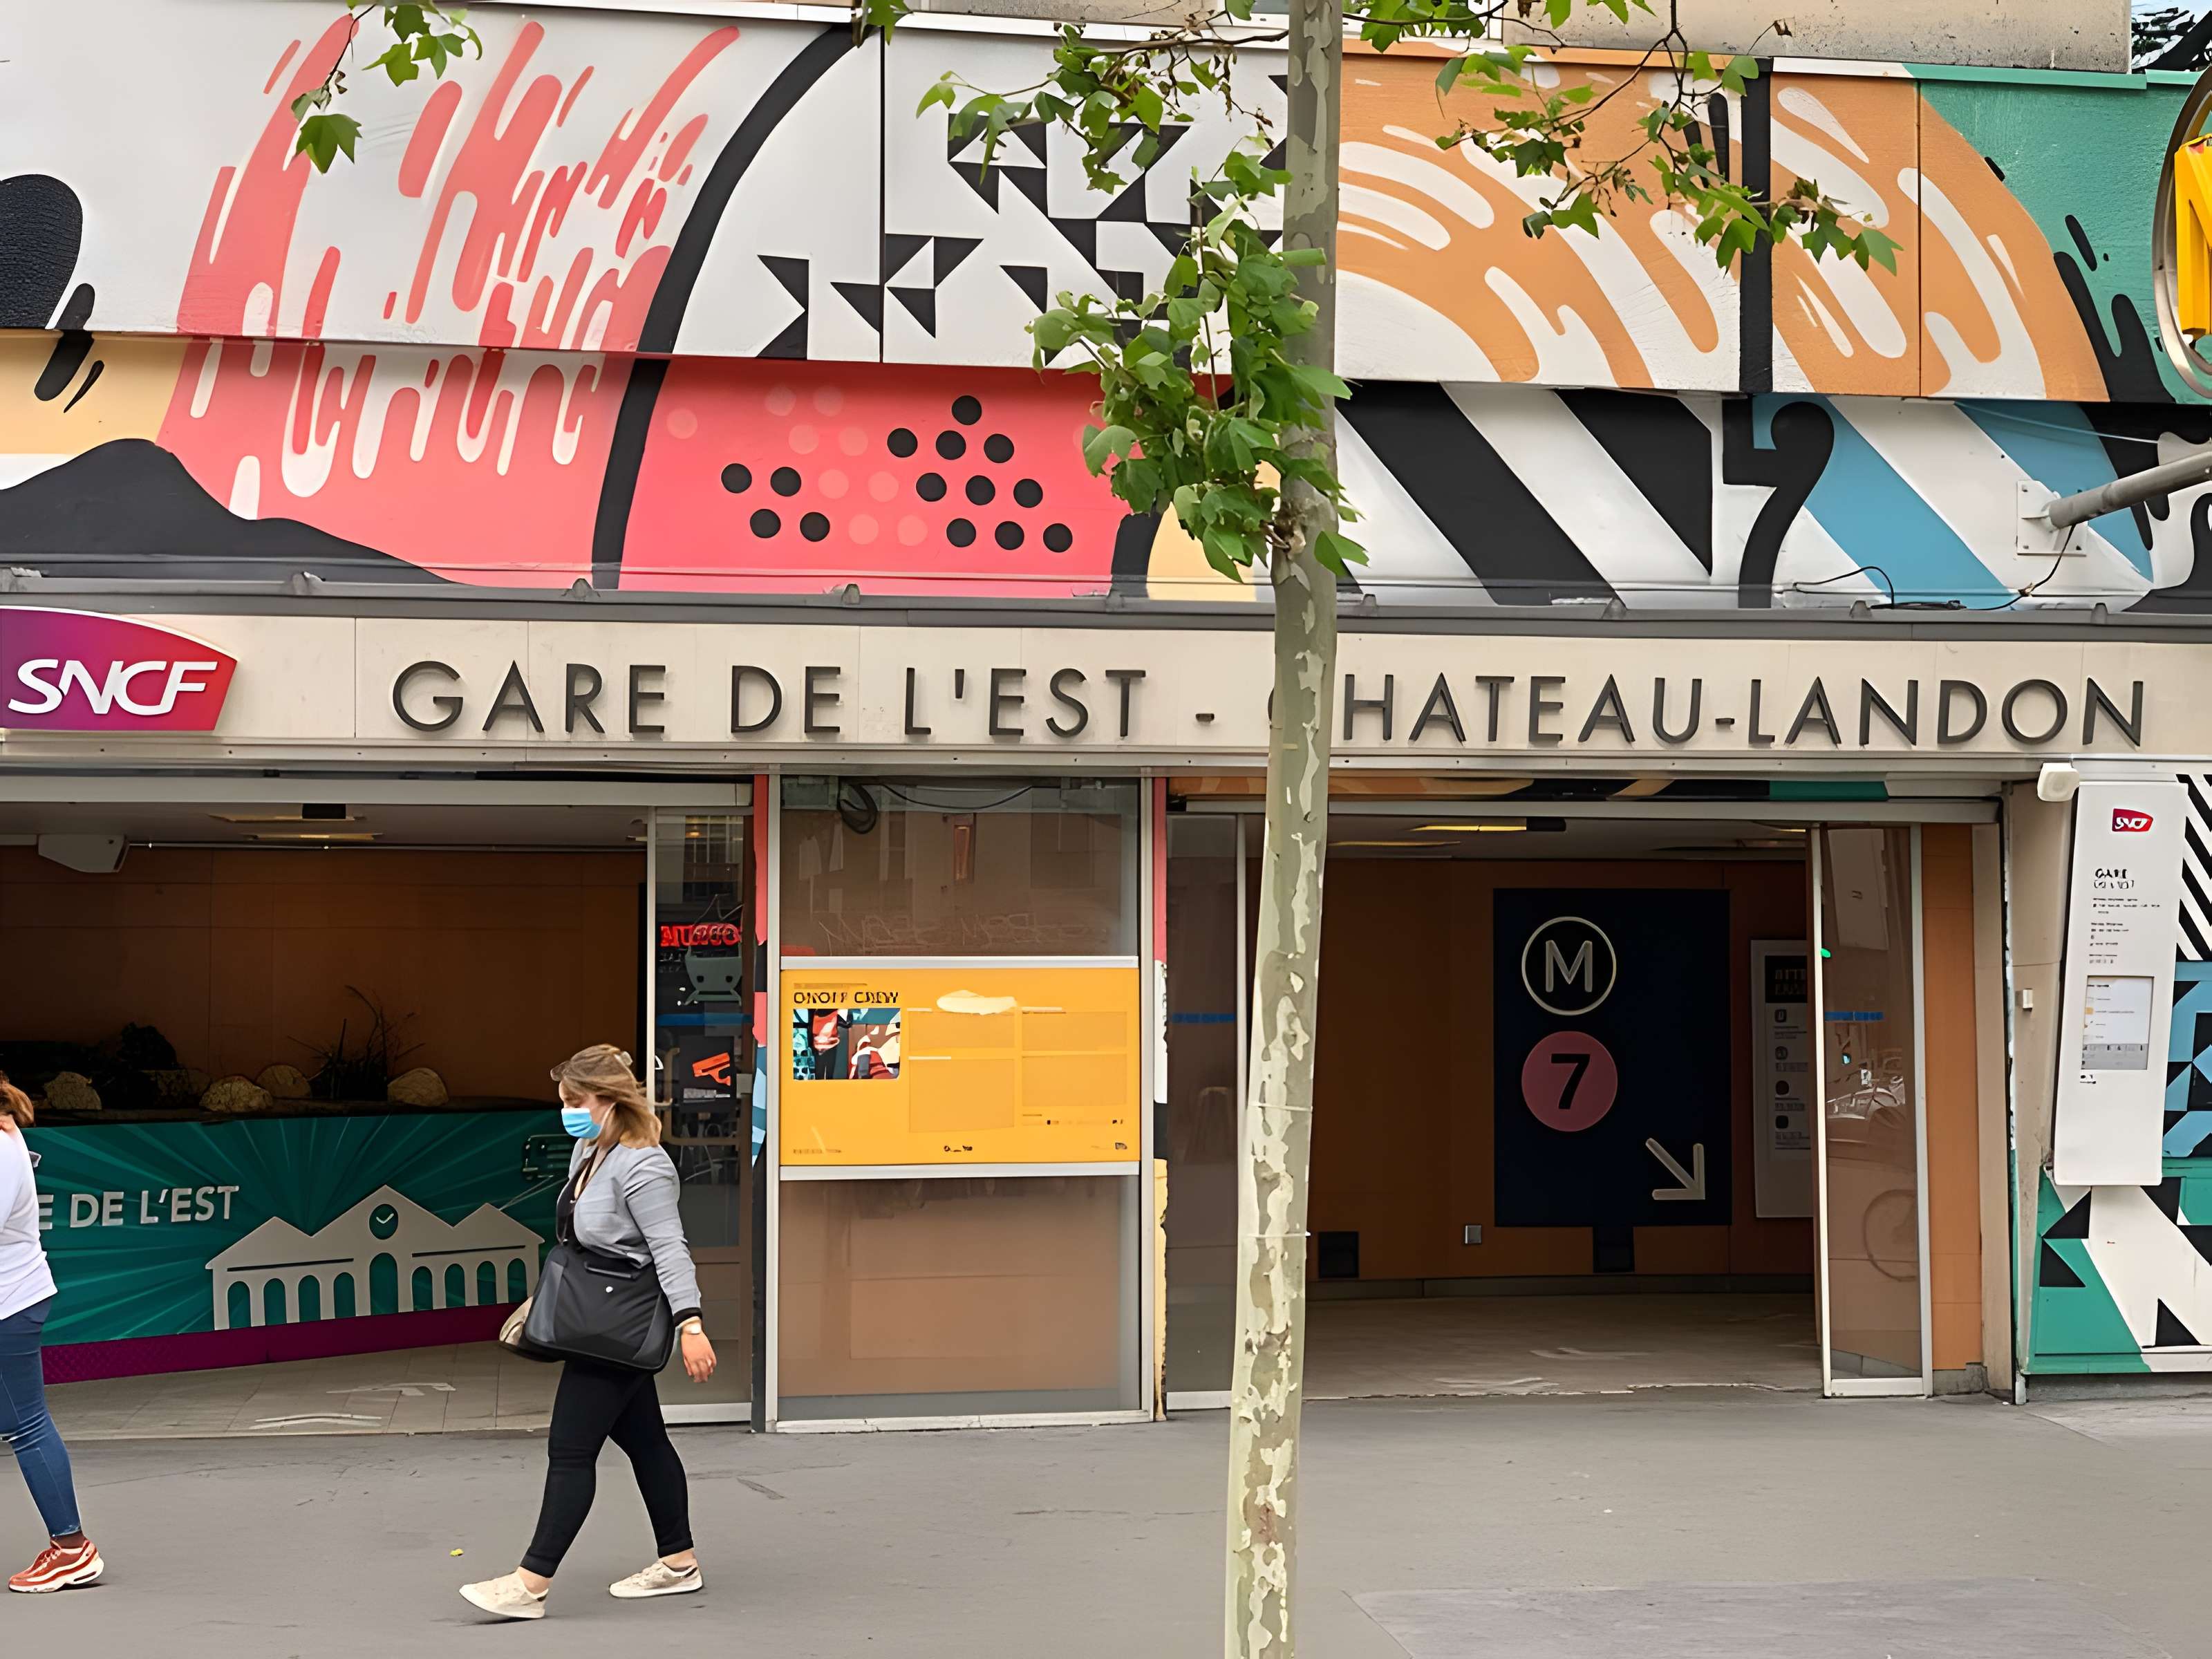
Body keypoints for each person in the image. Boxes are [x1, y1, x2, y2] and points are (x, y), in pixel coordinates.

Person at [462, 1045, 716, 1621]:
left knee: (571, 1451)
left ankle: (531, 1584)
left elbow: (670, 1248)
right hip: (598, 1316)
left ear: (610, 1099)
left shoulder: (644, 1165)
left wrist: (690, 1323)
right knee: (646, 1442)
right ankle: (680, 1562)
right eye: (563, 1101)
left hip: (616, 1326)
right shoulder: (591, 1149)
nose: (567, 1112)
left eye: (576, 1101)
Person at [0, 1073, 101, 1593]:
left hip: (8, 1302)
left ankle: (71, 1549)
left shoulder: (0, 1146)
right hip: (14, 1296)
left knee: (25, 1423)